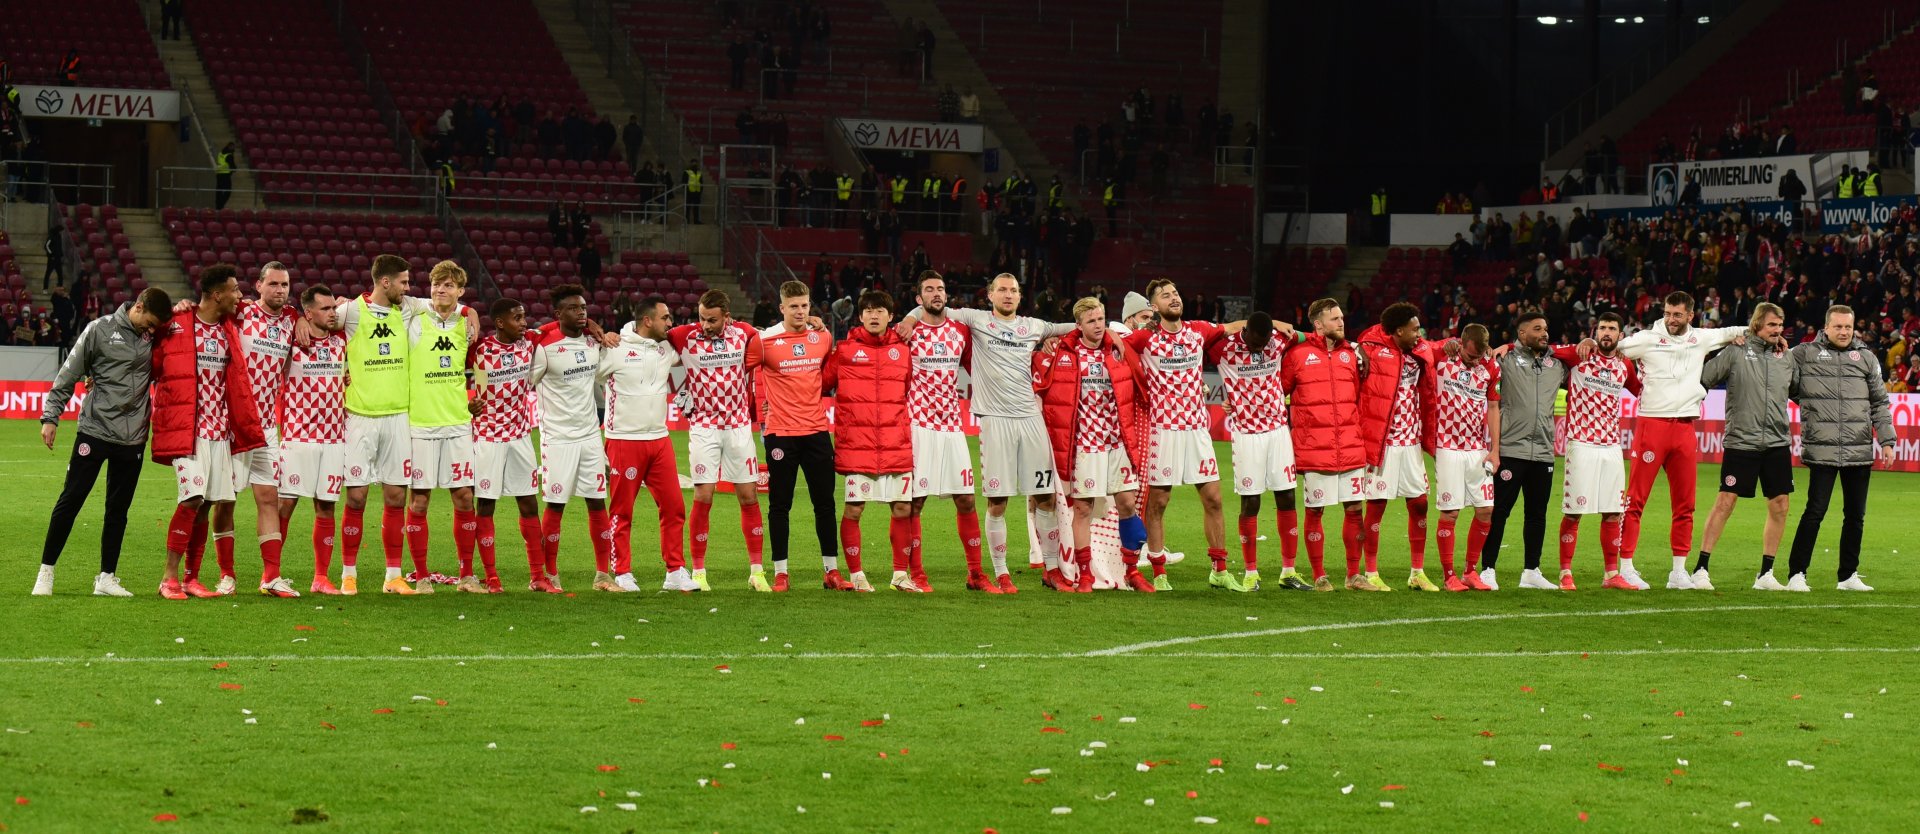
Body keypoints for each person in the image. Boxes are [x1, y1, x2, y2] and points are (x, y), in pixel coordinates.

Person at [899, 273, 1076, 589]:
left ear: (1020, 297)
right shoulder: (973, 321)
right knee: (994, 500)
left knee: (1042, 496)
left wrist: (1115, 332)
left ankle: (1047, 570)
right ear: (990, 295)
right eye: (1002, 290)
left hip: (1019, 421)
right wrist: (910, 318)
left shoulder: (1027, 327)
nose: (1008, 295)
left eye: (1014, 290)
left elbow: (1074, 326)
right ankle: (997, 572)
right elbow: (932, 309)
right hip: (982, 422)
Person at [339, 254, 479, 596]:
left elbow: (457, 312)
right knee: (359, 497)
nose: (414, 288)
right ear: (387, 282)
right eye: (405, 281)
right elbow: (320, 316)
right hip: (371, 417)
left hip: (410, 419)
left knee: (400, 496)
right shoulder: (357, 312)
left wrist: (470, 311)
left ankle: (396, 576)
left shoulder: (414, 309)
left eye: (447, 285)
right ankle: (349, 574)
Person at [31, 287, 170, 597]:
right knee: (71, 500)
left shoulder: (156, 336)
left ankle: (106, 578)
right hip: (95, 430)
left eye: (155, 326)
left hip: (133, 438)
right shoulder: (100, 329)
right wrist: (50, 417)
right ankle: (46, 572)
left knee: (118, 510)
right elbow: (68, 374)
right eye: (149, 321)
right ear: (138, 306)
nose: (151, 329)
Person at [1123, 278, 1255, 590]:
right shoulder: (1144, 339)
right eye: (1165, 296)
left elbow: (1232, 328)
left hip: (1197, 429)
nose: (1174, 298)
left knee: (1213, 498)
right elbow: (1114, 344)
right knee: (1159, 502)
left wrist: (1273, 323)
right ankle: (1159, 572)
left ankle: (1219, 570)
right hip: (1163, 431)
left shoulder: (1198, 330)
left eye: (1176, 293)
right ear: (1154, 307)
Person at [1614, 291, 1747, 589]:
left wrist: (1761, 336)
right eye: (1668, 313)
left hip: (1685, 428)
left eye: (1678, 315)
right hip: (1652, 426)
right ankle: (1625, 567)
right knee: (1635, 501)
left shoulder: (1700, 337)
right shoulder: (1647, 338)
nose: (1671, 320)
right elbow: (1610, 347)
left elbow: (1737, 331)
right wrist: (1587, 344)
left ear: (1691, 315)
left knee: (1685, 504)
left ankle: (1678, 572)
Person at [152, 264, 268, 599]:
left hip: (220, 432)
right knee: (191, 499)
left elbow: (277, 309)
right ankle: (168, 579)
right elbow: (151, 362)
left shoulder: (230, 326)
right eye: (234, 289)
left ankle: (191, 578)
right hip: (187, 430)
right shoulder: (176, 325)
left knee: (206, 504)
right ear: (217, 294)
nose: (239, 295)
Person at [1034, 297, 1156, 593]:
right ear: (1078, 324)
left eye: (1101, 319)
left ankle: (1132, 571)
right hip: (1085, 446)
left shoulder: (1117, 349)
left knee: (1128, 504)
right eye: (1091, 321)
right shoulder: (1065, 351)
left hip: (1116, 442)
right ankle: (1085, 575)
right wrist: (1046, 343)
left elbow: (1147, 348)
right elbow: (1039, 381)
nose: (1098, 325)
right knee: (1084, 509)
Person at [1784, 305, 1895, 592]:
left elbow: (1879, 403)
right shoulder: (1804, 354)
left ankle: (1848, 576)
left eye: (1848, 327)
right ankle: (1797, 574)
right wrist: (1808, 405)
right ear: (1826, 327)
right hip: (1823, 448)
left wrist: (1887, 440)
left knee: (1855, 516)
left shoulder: (1866, 358)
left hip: (1858, 449)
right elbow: (1784, 381)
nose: (1844, 332)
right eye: (1838, 327)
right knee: (1815, 511)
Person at [668, 289, 768, 591]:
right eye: (701, 318)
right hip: (703, 427)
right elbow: (651, 332)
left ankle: (757, 571)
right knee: (704, 496)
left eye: (712, 320)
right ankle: (699, 572)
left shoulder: (746, 334)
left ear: (727, 316)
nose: (705, 325)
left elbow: (776, 335)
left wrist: (813, 322)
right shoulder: (685, 335)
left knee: (749, 496)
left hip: (738, 426)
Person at [903, 271, 996, 592]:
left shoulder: (960, 332)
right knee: (915, 503)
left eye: (940, 289)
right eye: (928, 289)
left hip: (953, 428)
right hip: (918, 427)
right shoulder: (907, 333)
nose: (936, 294)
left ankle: (976, 574)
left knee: (967, 500)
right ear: (919, 299)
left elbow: (978, 367)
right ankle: (916, 574)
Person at [820, 290, 914, 593]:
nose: (874, 315)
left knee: (902, 508)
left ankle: (900, 576)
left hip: (894, 442)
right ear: (860, 316)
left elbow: (910, 389)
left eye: (880, 311)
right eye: (869, 311)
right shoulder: (845, 350)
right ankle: (857, 575)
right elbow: (821, 383)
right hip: (857, 444)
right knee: (854, 510)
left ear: (890, 316)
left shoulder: (904, 351)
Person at [1697, 303, 1795, 591]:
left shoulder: (1785, 358)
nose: (1777, 331)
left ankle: (1765, 574)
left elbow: (1800, 390)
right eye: (1771, 326)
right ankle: (1701, 568)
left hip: (1777, 442)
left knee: (1780, 505)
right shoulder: (1736, 352)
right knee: (1726, 501)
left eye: (1780, 325)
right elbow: (1704, 377)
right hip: (1742, 440)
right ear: (1756, 326)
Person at [527, 284, 618, 592]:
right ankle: (549, 575)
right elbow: (527, 381)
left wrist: (599, 329)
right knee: (556, 505)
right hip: (557, 438)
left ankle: (602, 575)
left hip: (590, 435)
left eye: (584, 308)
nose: (581, 313)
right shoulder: (545, 345)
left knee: (597, 502)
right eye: (574, 309)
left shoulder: (594, 342)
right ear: (558, 314)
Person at [605, 295, 697, 592]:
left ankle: (675, 571)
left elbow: (695, 333)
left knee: (674, 506)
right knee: (622, 510)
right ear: (647, 321)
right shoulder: (615, 348)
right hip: (623, 440)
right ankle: (621, 572)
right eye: (665, 317)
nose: (671, 323)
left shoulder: (666, 347)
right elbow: (586, 377)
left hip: (659, 439)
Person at [1207, 311, 1305, 590]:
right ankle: (1251, 573)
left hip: (1278, 431)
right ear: (1246, 332)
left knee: (1287, 496)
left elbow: (1308, 337)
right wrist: (1273, 321)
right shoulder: (1222, 347)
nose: (1260, 348)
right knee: (1251, 502)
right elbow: (1199, 338)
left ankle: (1288, 571)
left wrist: (1280, 325)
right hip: (1246, 434)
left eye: (1265, 344)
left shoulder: (1276, 340)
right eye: (1255, 343)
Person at [402, 262, 479, 592]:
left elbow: (480, 364)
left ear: (460, 291)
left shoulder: (466, 323)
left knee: (464, 498)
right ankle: (421, 577)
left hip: (458, 424)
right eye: (436, 284)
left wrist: (480, 395)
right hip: (420, 425)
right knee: (419, 502)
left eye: (448, 285)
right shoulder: (415, 318)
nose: (439, 290)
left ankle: (466, 576)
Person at [1280, 298, 1366, 591]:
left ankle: (1354, 575)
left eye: (1342, 318)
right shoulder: (1297, 355)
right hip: (1315, 448)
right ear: (1317, 324)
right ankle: (1319, 576)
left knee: (1355, 509)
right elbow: (1279, 392)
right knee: (1316, 511)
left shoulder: (1352, 355)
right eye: (1334, 319)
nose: (1341, 323)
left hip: (1350, 446)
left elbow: (1357, 395)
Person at [758, 280, 840, 590]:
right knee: (780, 504)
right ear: (782, 308)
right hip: (782, 433)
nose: (800, 311)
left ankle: (831, 571)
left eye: (805, 305)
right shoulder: (765, 341)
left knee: (825, 503)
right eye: (794, 306)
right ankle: (781, 572)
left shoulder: (822, 337)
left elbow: (824, 371)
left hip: (817, 431)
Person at [1354, 302, 1440, 591]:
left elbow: (1439, 347)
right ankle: (1371, 572)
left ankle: (1417, 572)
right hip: (1383, 442)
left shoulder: (1420, 350)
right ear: (1399, 330)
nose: (1419, 334)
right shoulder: (1371, 349)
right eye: (1414, 329)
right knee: (1376, 506)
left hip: (1411, 441)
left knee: (1419, 504)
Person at [1551, 313, 1640, 590]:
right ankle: (1565, 572)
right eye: (1602, 328)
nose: (1606, 333)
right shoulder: (1580, 354)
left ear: (1620, 336)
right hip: (1581, 443)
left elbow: (1642, 392)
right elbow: (1547, 349)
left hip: (1612, 446)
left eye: (1612, 329)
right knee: (1574, 512)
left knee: (1613, 511)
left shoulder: (1625, 365)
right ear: (1595, 331)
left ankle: (1611, 575)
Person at [1477, 312, 1565, 591]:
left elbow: (1578, 350)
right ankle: (1487, 568)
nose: (1544, 333)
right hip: (1510, 449)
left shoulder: (1556, 365)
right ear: (1522, 333)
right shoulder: (1504, 360)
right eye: (1537, 329)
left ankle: (1531, 571)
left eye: (1546, 328)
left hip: (1542, 451)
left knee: (1537, 513)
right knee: (1499, 511)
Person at [275, 285, 350, 594]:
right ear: (308, 313)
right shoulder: (292, 340)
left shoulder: (343, 340)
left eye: (334, 308)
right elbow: (274, 313)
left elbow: (357, 307)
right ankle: (272, 572)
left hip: (334, 438)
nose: (333, 313)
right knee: (285, 506)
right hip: (298, 437)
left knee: (326, 507)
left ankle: (321, 577)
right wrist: (295, 318)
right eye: (326, 309)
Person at [470, 299, 547, 593]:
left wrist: (590, 324)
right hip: (488, 437)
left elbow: (554, 329)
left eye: (524, 316)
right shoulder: (478, 349)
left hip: (520, 436)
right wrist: (469, 404)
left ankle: (537, 576)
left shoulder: (529, 343)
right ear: (500, 323)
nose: (524, 323)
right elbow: (450, 377)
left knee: (528, 503)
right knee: (486, 505)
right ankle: (491, 577)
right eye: (517, 318)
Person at [233, 263, 299, 595]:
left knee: (269, 498)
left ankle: (270, 577)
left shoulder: (292, 320)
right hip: (232, 421)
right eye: (273, 284)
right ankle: (226, 574)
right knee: (222, 500)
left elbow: (331, 314)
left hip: (266, 426)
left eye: (284, 284)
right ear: (258, 286)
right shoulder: (241, 312)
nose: (280, 290)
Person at [1428, 323, 1496, 591]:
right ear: (1461, 343)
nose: (1474, 362)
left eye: (1479, 357)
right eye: (1470, 357)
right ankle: (1448, 576)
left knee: (1486, 510)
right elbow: (1421, 350)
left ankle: (1470, 571)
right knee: (1451, 512)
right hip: (1447, 446)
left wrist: (1495, 449)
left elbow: (1493, 407)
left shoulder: (1490, 366)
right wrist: (1441, 346)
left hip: (1478, 449)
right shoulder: (1444, 356)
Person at [215, 142, 236, 210]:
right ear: (230, 147)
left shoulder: (220, 153)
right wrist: (234, 169)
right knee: (228, 191)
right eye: (233, 147)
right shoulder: (229, 155)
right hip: (225, 175)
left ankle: (218, 206)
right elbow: (232, 166)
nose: (234, 149)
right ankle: (221, 205)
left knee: (219, 191)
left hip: (219, 174)